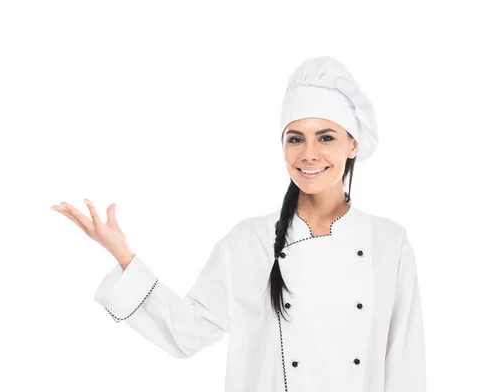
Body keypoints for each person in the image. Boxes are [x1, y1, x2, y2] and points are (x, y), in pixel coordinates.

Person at [51, 56, 427, 392]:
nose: (308, 154)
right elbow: (187, 331)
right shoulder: (249, 241)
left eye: (325, 137)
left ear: (353, 145)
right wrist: (123, 255)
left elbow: (405, 367)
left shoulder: (389, 243)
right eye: (295, 139)